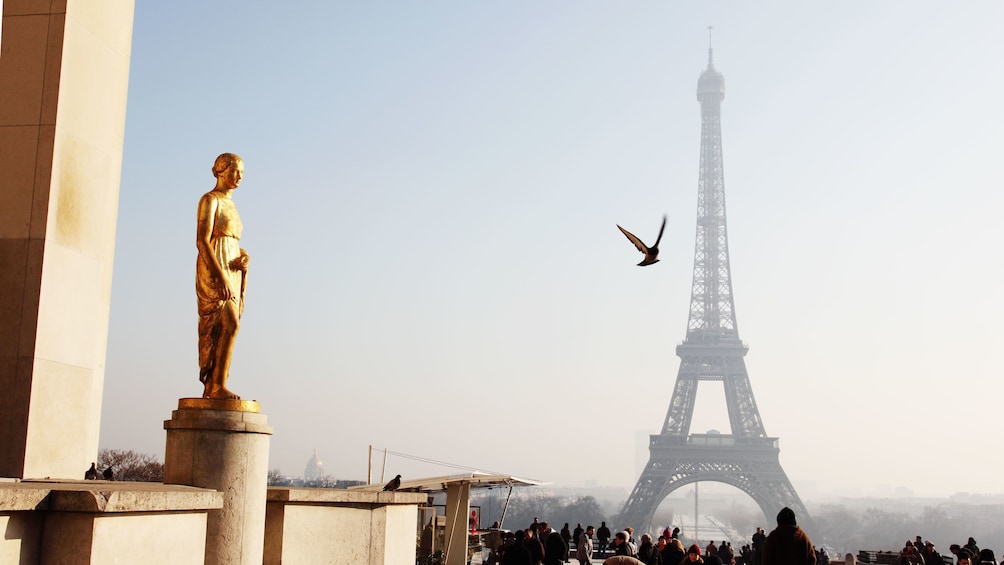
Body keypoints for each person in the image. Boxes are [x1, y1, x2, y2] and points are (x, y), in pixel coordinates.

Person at [196, 152, 250, 399]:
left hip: (232, 267)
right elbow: (203, 241)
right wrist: (220, 276)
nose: (238, 177)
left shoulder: (233, 204)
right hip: (214, 267)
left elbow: (232, 240)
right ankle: (216, 385)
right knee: (226, 322)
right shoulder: (210, 199)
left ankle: (218, 383)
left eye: (241, 173)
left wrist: (243, 256)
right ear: (221, 170)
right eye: (234, 171)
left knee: (231, 325)